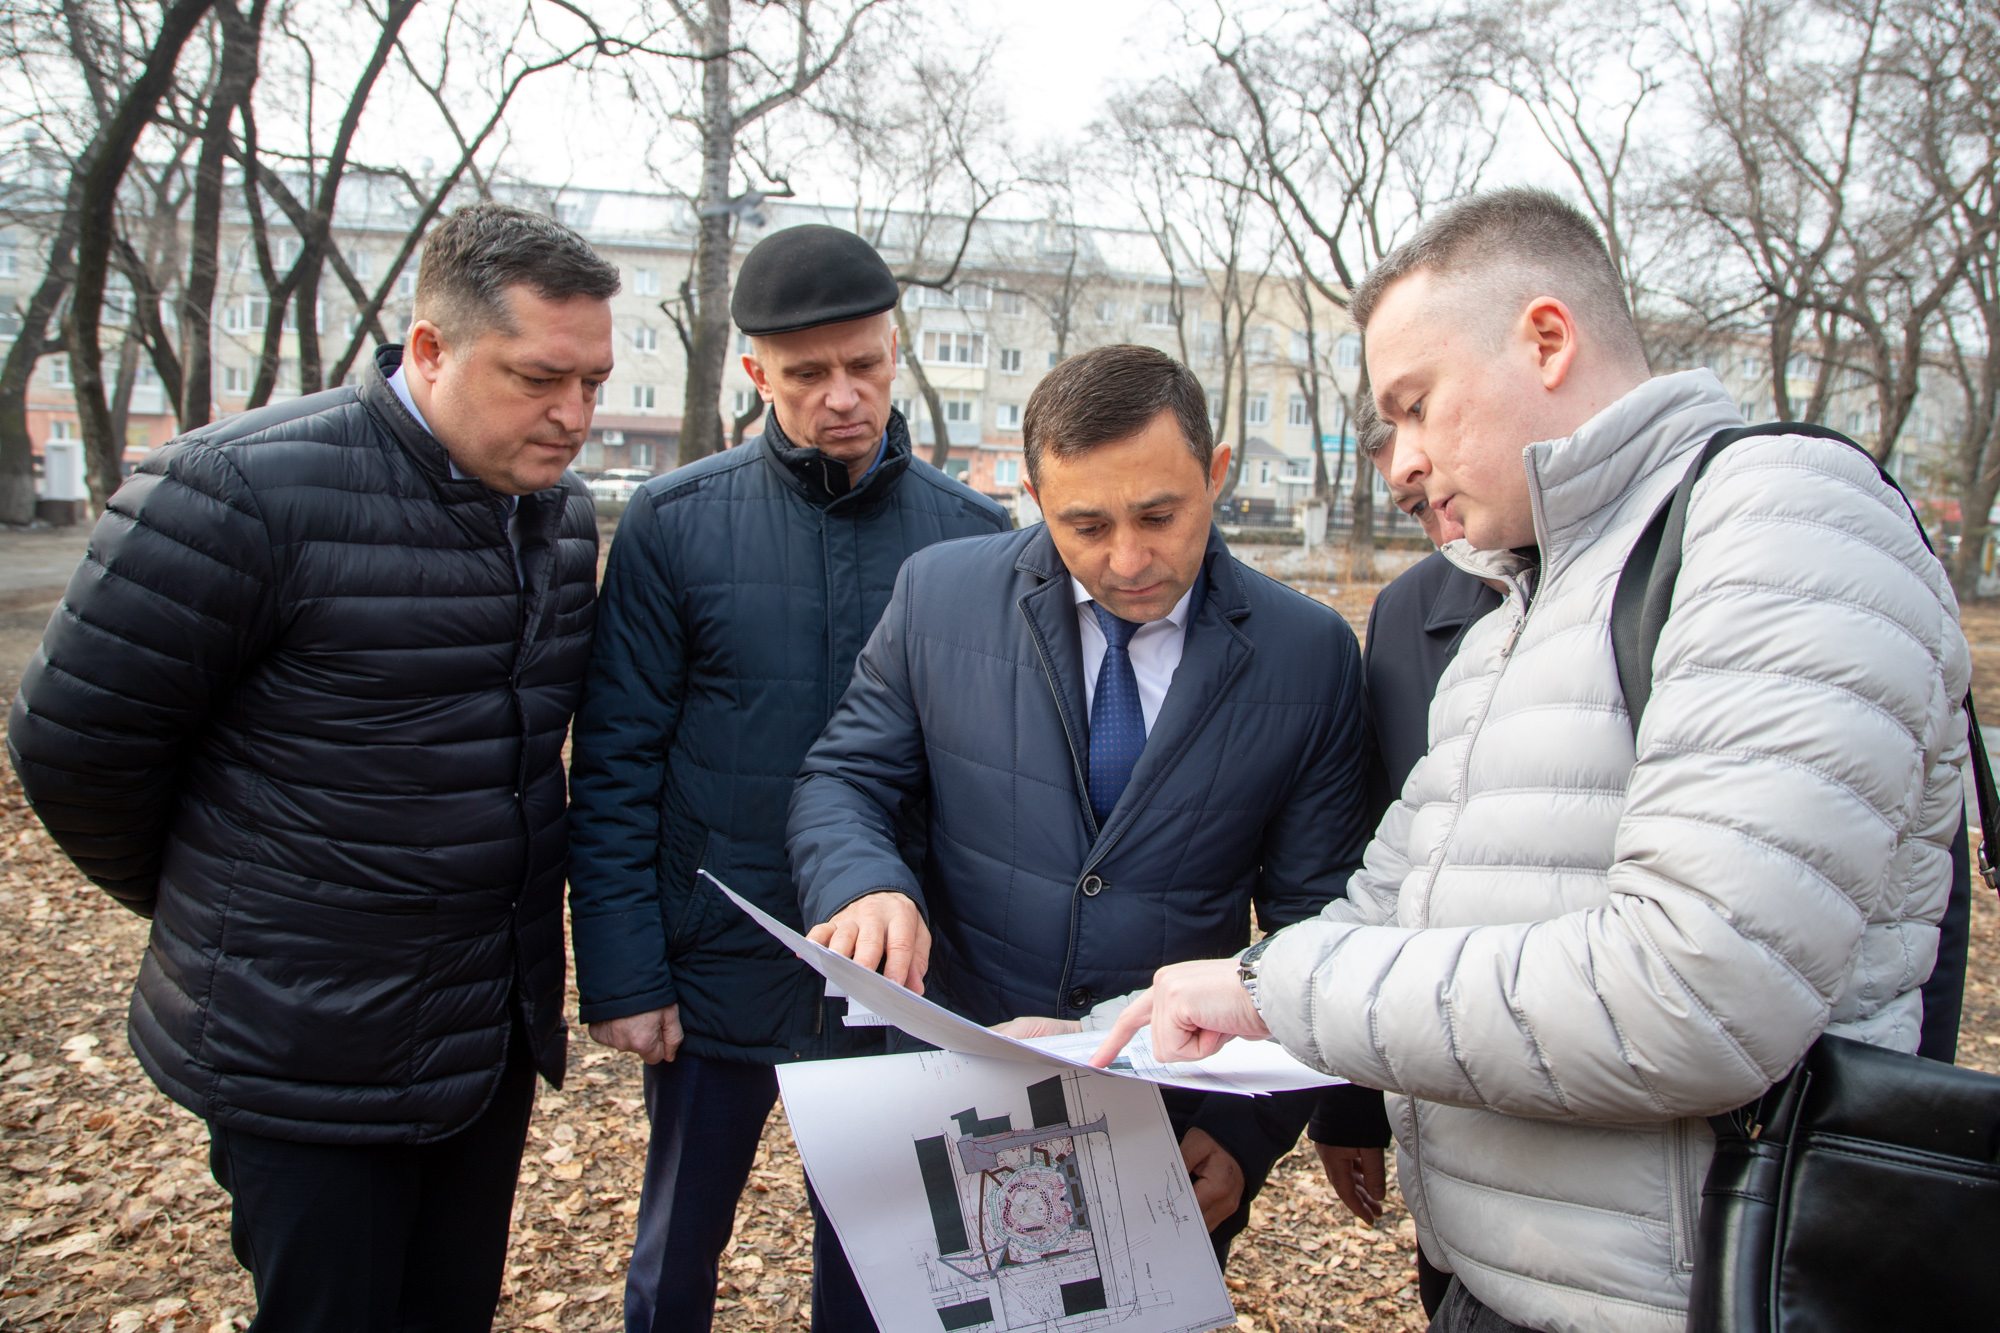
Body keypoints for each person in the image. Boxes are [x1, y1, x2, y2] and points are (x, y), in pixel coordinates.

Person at [1091, 189, 1971, 1333]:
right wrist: (1099, 1031)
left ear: (1545, 339)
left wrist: (1266, 991)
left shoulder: (1777, 519)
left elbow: (1697, 993)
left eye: (1413, 406)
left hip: (1693, 1295)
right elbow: (1381, 910)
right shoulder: (1523, 602)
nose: (1399, 462)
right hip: (1511, 1283)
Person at [6, 201, 617, 1331]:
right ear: (428, 349)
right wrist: (233, 900)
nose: (576, 414)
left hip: (480, 1040)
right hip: (303, 1044)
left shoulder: (555, 513)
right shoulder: (234, 492)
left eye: (592, 381)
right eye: (541, 378)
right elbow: (75, 746)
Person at [786, 343, 1374, 1309]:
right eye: (1085, 524)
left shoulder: (1307, 654)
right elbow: (843, 776)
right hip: (947, 1081)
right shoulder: (939, 596)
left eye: (1159, 514)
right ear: (1031, 493)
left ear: (1216, 471)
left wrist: (1250, 1138)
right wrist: (863, 880)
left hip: (1163, 1124)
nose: (1129, 559)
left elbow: (1318, 919)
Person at [564, 224, 1009, 1333]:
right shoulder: (673, 524)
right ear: (756, 373)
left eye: (864, 364)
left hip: (896, 975)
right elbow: (616, 759)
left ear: (895, 351)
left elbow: (995, 778)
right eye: (807, 374)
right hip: (716, 961)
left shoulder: (972, 537)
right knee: (674, 1259)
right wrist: (624, 974)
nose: (842, 395)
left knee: (876, 1273)